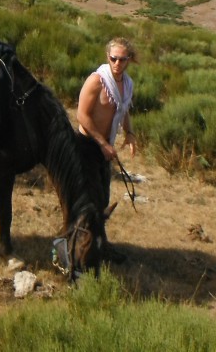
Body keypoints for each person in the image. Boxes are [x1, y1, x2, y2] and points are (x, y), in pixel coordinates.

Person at [77, 37, 138, 263]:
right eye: (113, 59)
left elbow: (125, 109)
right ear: (107, 57)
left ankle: (99, 245)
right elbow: (81, 115)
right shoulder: (97, 81)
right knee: (89, 201)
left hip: (105, 149)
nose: (117, 64)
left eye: (122, 59)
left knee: (102, 199)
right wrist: (103, 143)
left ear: (129, 60)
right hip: (87, 146)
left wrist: (129, 133)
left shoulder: (127, 84)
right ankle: (83, 247)